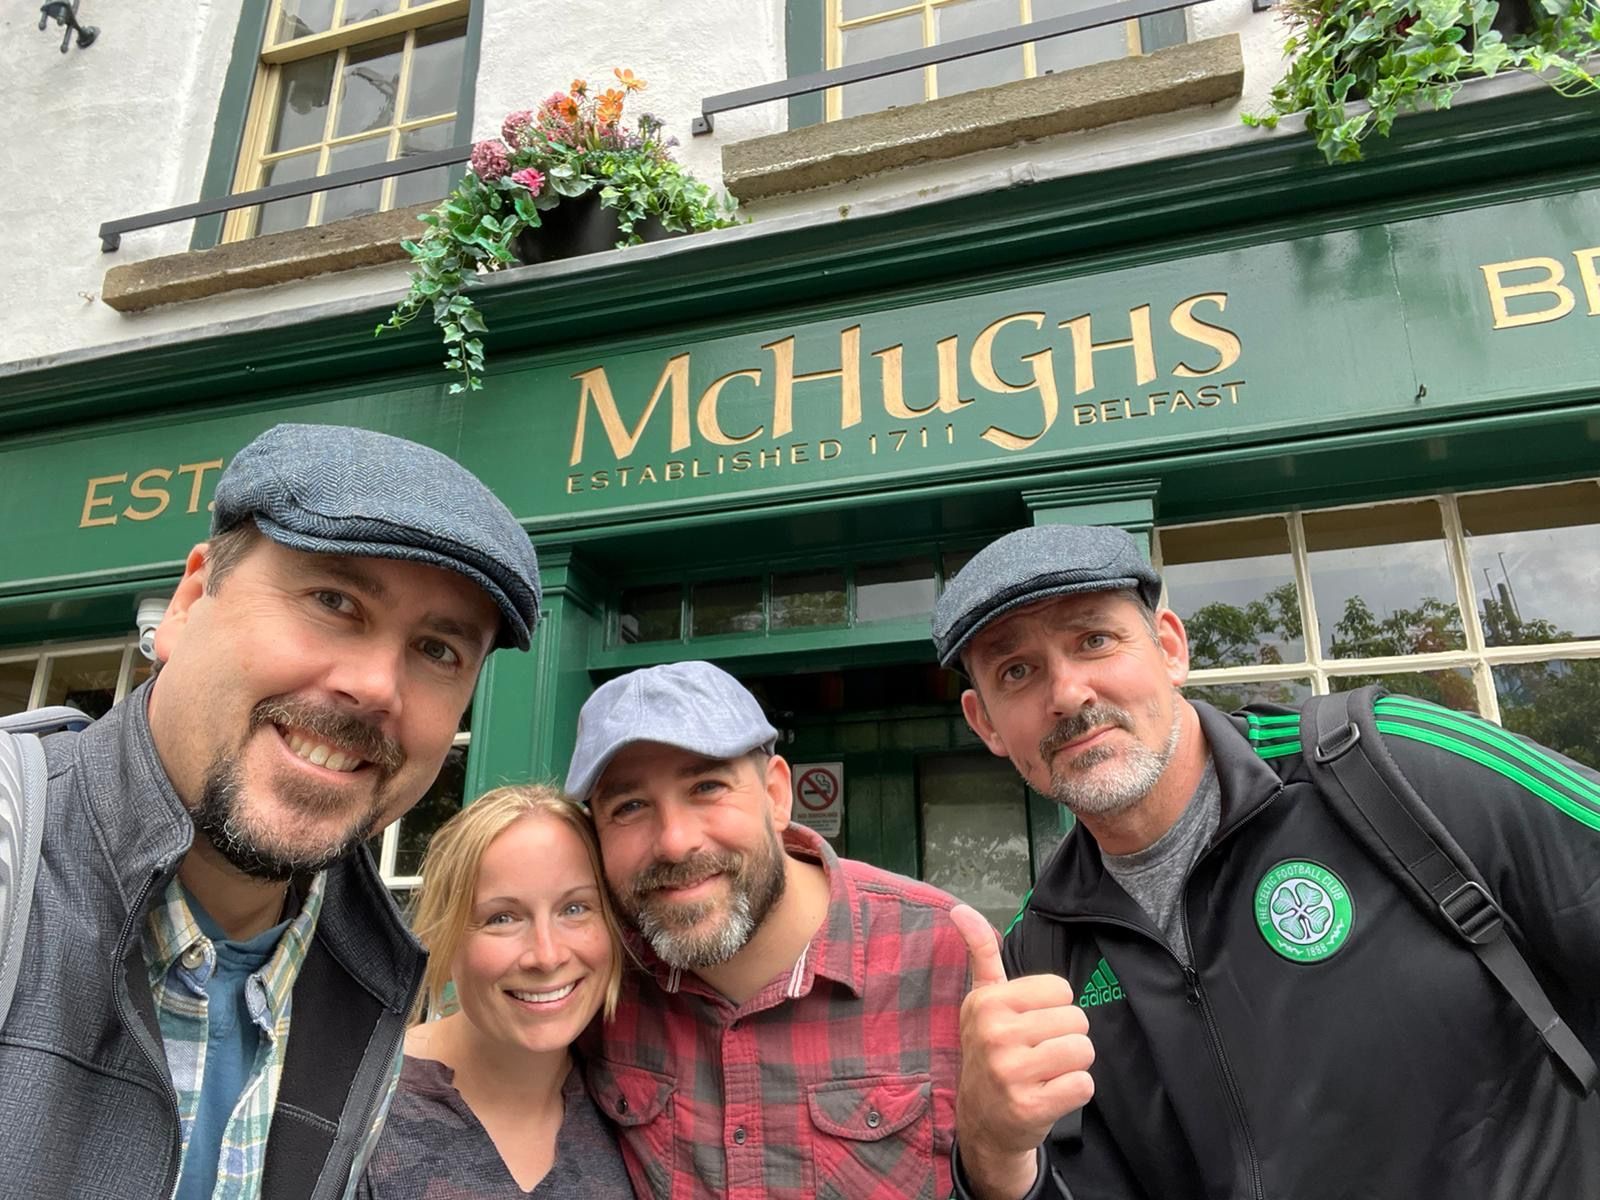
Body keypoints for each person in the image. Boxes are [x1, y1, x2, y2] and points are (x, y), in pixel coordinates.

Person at [931, 523, 1600, 1200]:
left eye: (1094, 640)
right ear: (986, 722)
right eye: (1017, 671)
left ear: (1168, 647)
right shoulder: (1038, 958)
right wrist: (994, 1157)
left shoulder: (1394, 766)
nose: (1068, 694)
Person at [0, 423, 542, 1200]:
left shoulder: (369, 970)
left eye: (438, 651)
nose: (378, 687)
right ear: (189, 602)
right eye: (333, 600)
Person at [563, 660, 974, 1200]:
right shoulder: (593, 971)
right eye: (630, 806)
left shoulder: (948, 955)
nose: (675, 841)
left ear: (778, 795)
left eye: (707, 786)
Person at [358, 784, 633, 1199]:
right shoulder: (358, 1101)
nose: (547, 955)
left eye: (575, 909)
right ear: (445, 937)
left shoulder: (631, 1105)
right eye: (502, 917)